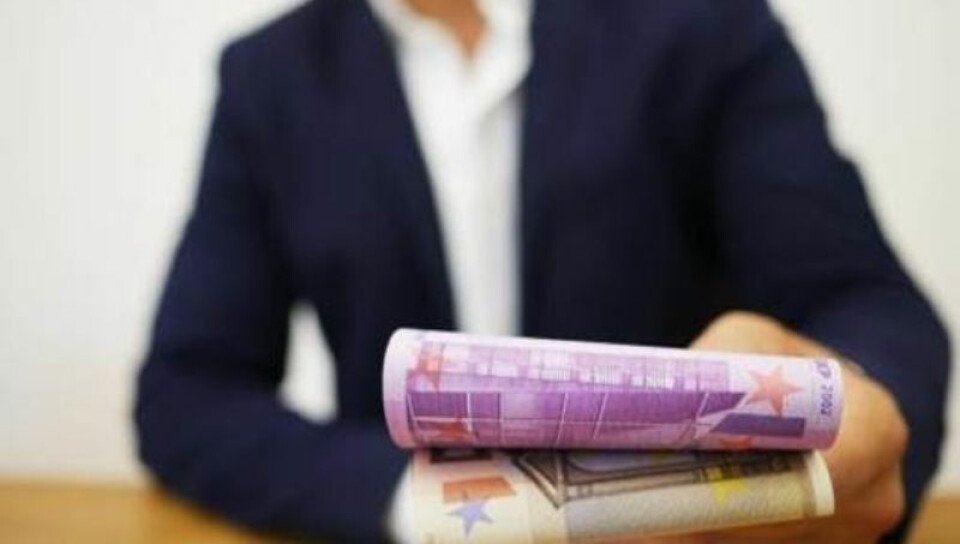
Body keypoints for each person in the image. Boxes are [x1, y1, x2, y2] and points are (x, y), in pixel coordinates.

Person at [134, 0, 950, 542]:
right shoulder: (270, 76)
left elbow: (868, 303)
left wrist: (860, 411)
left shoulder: (704, 23)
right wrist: (421, 505)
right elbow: (186, 392)